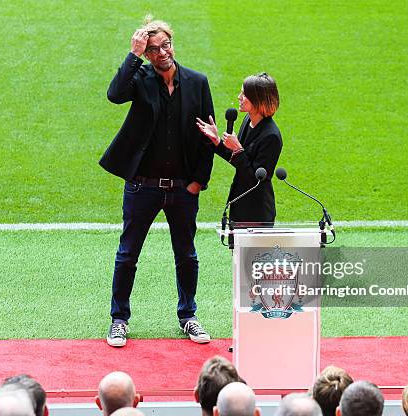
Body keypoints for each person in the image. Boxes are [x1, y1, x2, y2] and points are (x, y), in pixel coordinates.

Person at [102, 15, 215, 347]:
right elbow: (114, 94)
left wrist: (199, 182)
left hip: (182, 188)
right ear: (147, 53)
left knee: (187, 255)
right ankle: (119, 319)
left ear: (172, 44)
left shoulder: (197, 81)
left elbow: (207, 136)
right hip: (142, 185)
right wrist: (133, 55)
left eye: (165, 45)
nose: (162, 53)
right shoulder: (140, 78)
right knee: (128, 254)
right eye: (153, 49)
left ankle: (188, 316)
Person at [196, 73, 282, 224]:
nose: (239, 97)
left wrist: (238, 149)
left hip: (256, 211)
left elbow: (256, 179)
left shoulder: (272, 136)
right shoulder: (248, 119)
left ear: (258, 99)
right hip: (239, 203)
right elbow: (236, 160)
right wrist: (217, 141)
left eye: (244, 94)